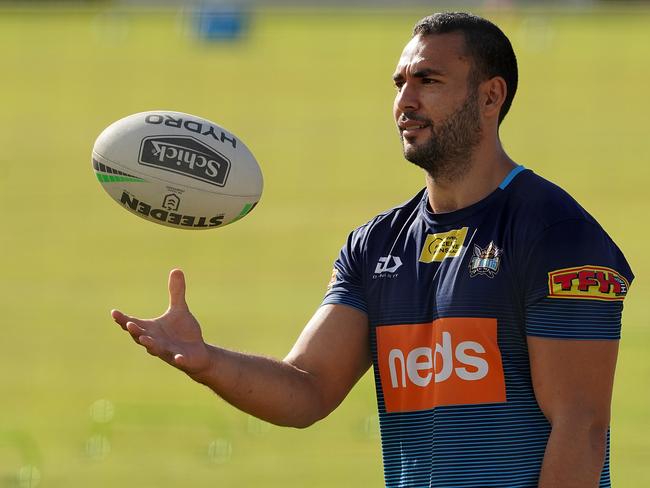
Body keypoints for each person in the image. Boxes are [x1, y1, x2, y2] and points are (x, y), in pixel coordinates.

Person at [111, 12, 634, 488]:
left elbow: (581, 427)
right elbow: (307, 387)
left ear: (491, 96)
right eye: (400, 83)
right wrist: (205, 361)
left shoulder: (554, 233)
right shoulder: (377, 244)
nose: (406, 101)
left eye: (429, 80)